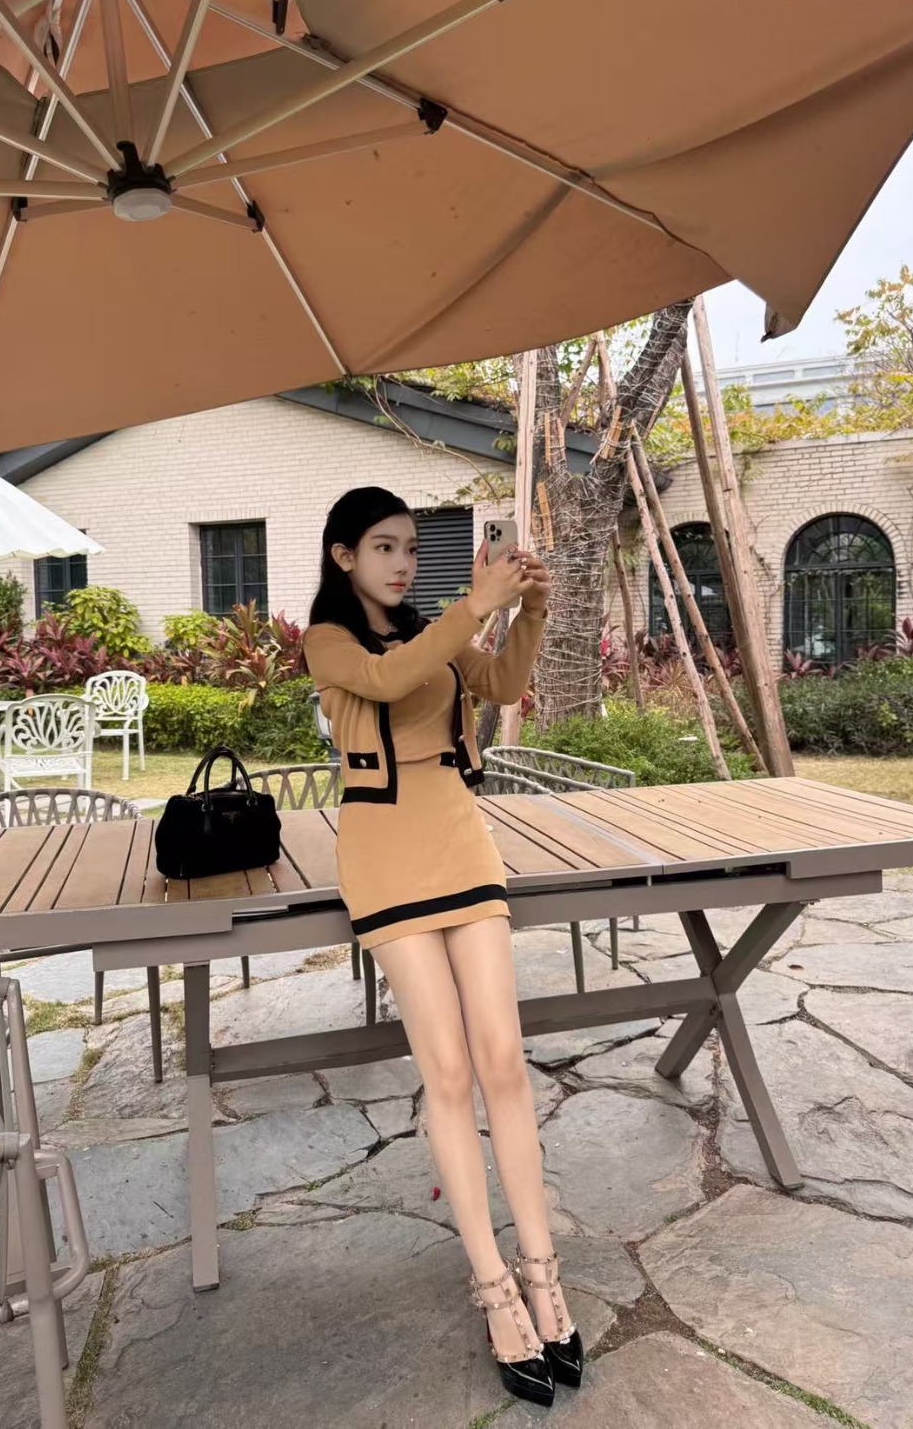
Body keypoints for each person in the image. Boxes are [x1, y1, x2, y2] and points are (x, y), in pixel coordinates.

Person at [302, 487, 583, 1408]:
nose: (401, 563)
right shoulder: (328, 641)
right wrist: (477, 603)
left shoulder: (437, 629)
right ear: (343, 556)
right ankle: (493, 1287)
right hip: (382, 856)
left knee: (504, 1060)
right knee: (449, 1073)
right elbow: (387, 682)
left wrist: (528, 609)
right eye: (383, 547)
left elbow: (498, 684)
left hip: (461, 841)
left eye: (411, 549)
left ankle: (542, 1273)